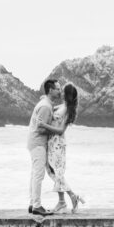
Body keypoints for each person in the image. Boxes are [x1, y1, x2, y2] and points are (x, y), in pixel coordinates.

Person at [26, 79, 63, 216]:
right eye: (58, 89)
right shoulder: (45, 106)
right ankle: (36, 206)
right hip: (38, 143)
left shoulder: (47, 104)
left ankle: (32, 204)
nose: (60, 91)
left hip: (35, 143)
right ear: (50, 90)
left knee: (35, 174)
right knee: (38, 175)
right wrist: (56, 130)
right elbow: (40, 129)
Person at [48, 83, 85, 213]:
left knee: (57, 173)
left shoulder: (68, 110)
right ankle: (66, 200)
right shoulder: (63, 106)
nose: (61, 92)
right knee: (52, 171)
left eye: (63, 91)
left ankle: (66, 200)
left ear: (67, 94)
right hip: (52, 142)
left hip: (58, 143)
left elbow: (60, 130)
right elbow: (51, 109)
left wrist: (44, 126)